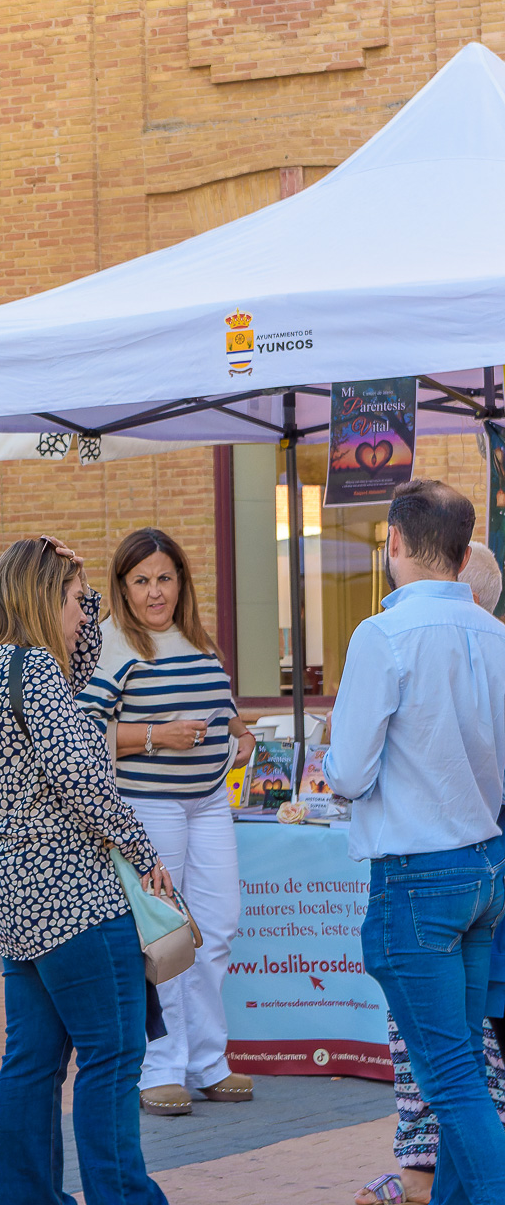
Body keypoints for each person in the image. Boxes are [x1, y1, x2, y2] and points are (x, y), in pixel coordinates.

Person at [0, 535, 172, 1205]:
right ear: (44, 598)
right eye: (78, 603)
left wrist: (81, 579)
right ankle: (124, 1197)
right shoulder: (34, 672)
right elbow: (83, 778)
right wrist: (143, 849)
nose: (85, 618)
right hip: (72, 892)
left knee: (33, 1062)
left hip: (14, 895)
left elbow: (80, 660)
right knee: (112, 1057)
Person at [326, 496, 505, 1205]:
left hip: (418, 876)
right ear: (464, 555)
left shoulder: (383, 633)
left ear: (392, 542)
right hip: (484, 866)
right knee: (465, 1069)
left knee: (450, 1079)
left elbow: (346, 772)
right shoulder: (495, 634)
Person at [77, 527, 256, 1117]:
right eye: (141, 581)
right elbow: (82, 738)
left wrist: (244, 737)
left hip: (208, 803)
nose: (155, 592)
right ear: (122, 588)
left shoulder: (200, 642)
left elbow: (226, 716)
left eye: (165, 578)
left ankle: (208, 1059)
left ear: (182, 581)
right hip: (147, 808)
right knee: (166, 936)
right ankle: (161, 1066)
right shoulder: (108, 647)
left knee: (219, 925)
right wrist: (157, 736)